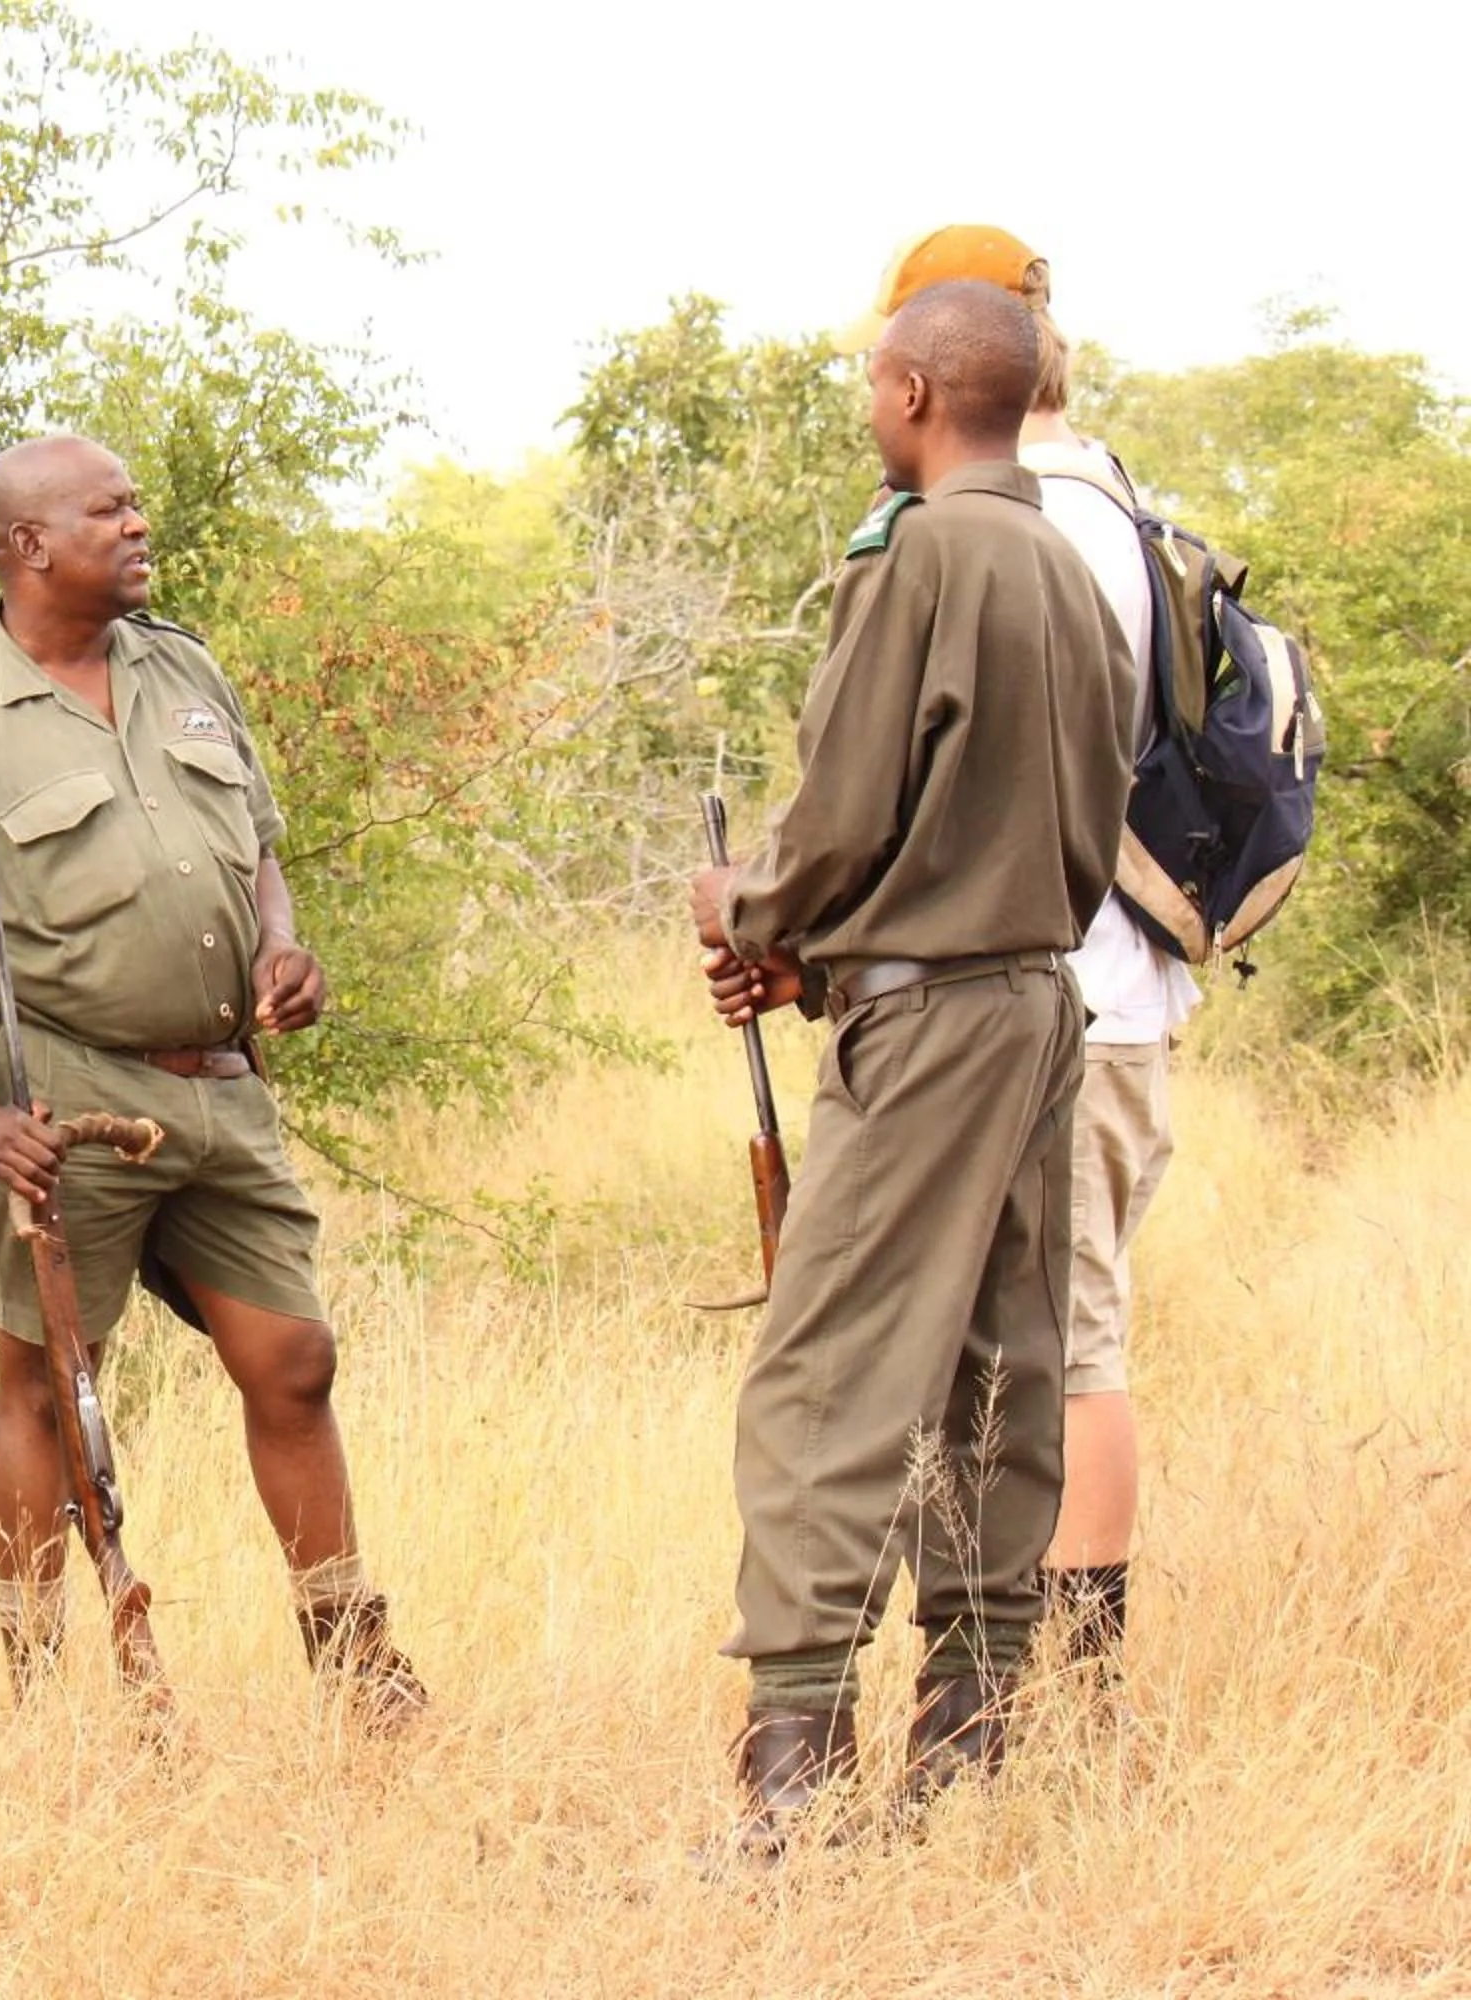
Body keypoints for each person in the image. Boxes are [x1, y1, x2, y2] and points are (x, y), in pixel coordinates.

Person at [0, 434, 427, 1729]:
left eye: (137, 505)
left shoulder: (184, 668)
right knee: (50, 1377)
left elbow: (257, 845)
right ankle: (37, 1687)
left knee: (295, 1358)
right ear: (29, 543)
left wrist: (283, 948)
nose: (140, 524)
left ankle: (353, 1658)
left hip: (220, 1080)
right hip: (63, 1094)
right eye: (110, 510)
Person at [689, 280, 1134, 1848]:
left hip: (933, 1022)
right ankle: (971, 1747)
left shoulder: (924, 553)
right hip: (1038, 1005)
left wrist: (750, 912)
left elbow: (853, 804)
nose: (869, 410)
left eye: (876, 387)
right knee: (1000, 1366)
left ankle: (794, 1776)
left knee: (830, 1370)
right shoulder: (1077, 569)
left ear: (919, 392)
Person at [852, 226, 1196, 1679]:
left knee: (1060, 1345)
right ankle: (1034, 1670)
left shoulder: (1013, 524)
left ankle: (1068, 1679)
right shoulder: (1115, 506)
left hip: (1045, 994)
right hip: (1105, 990)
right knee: (1042, 1338)